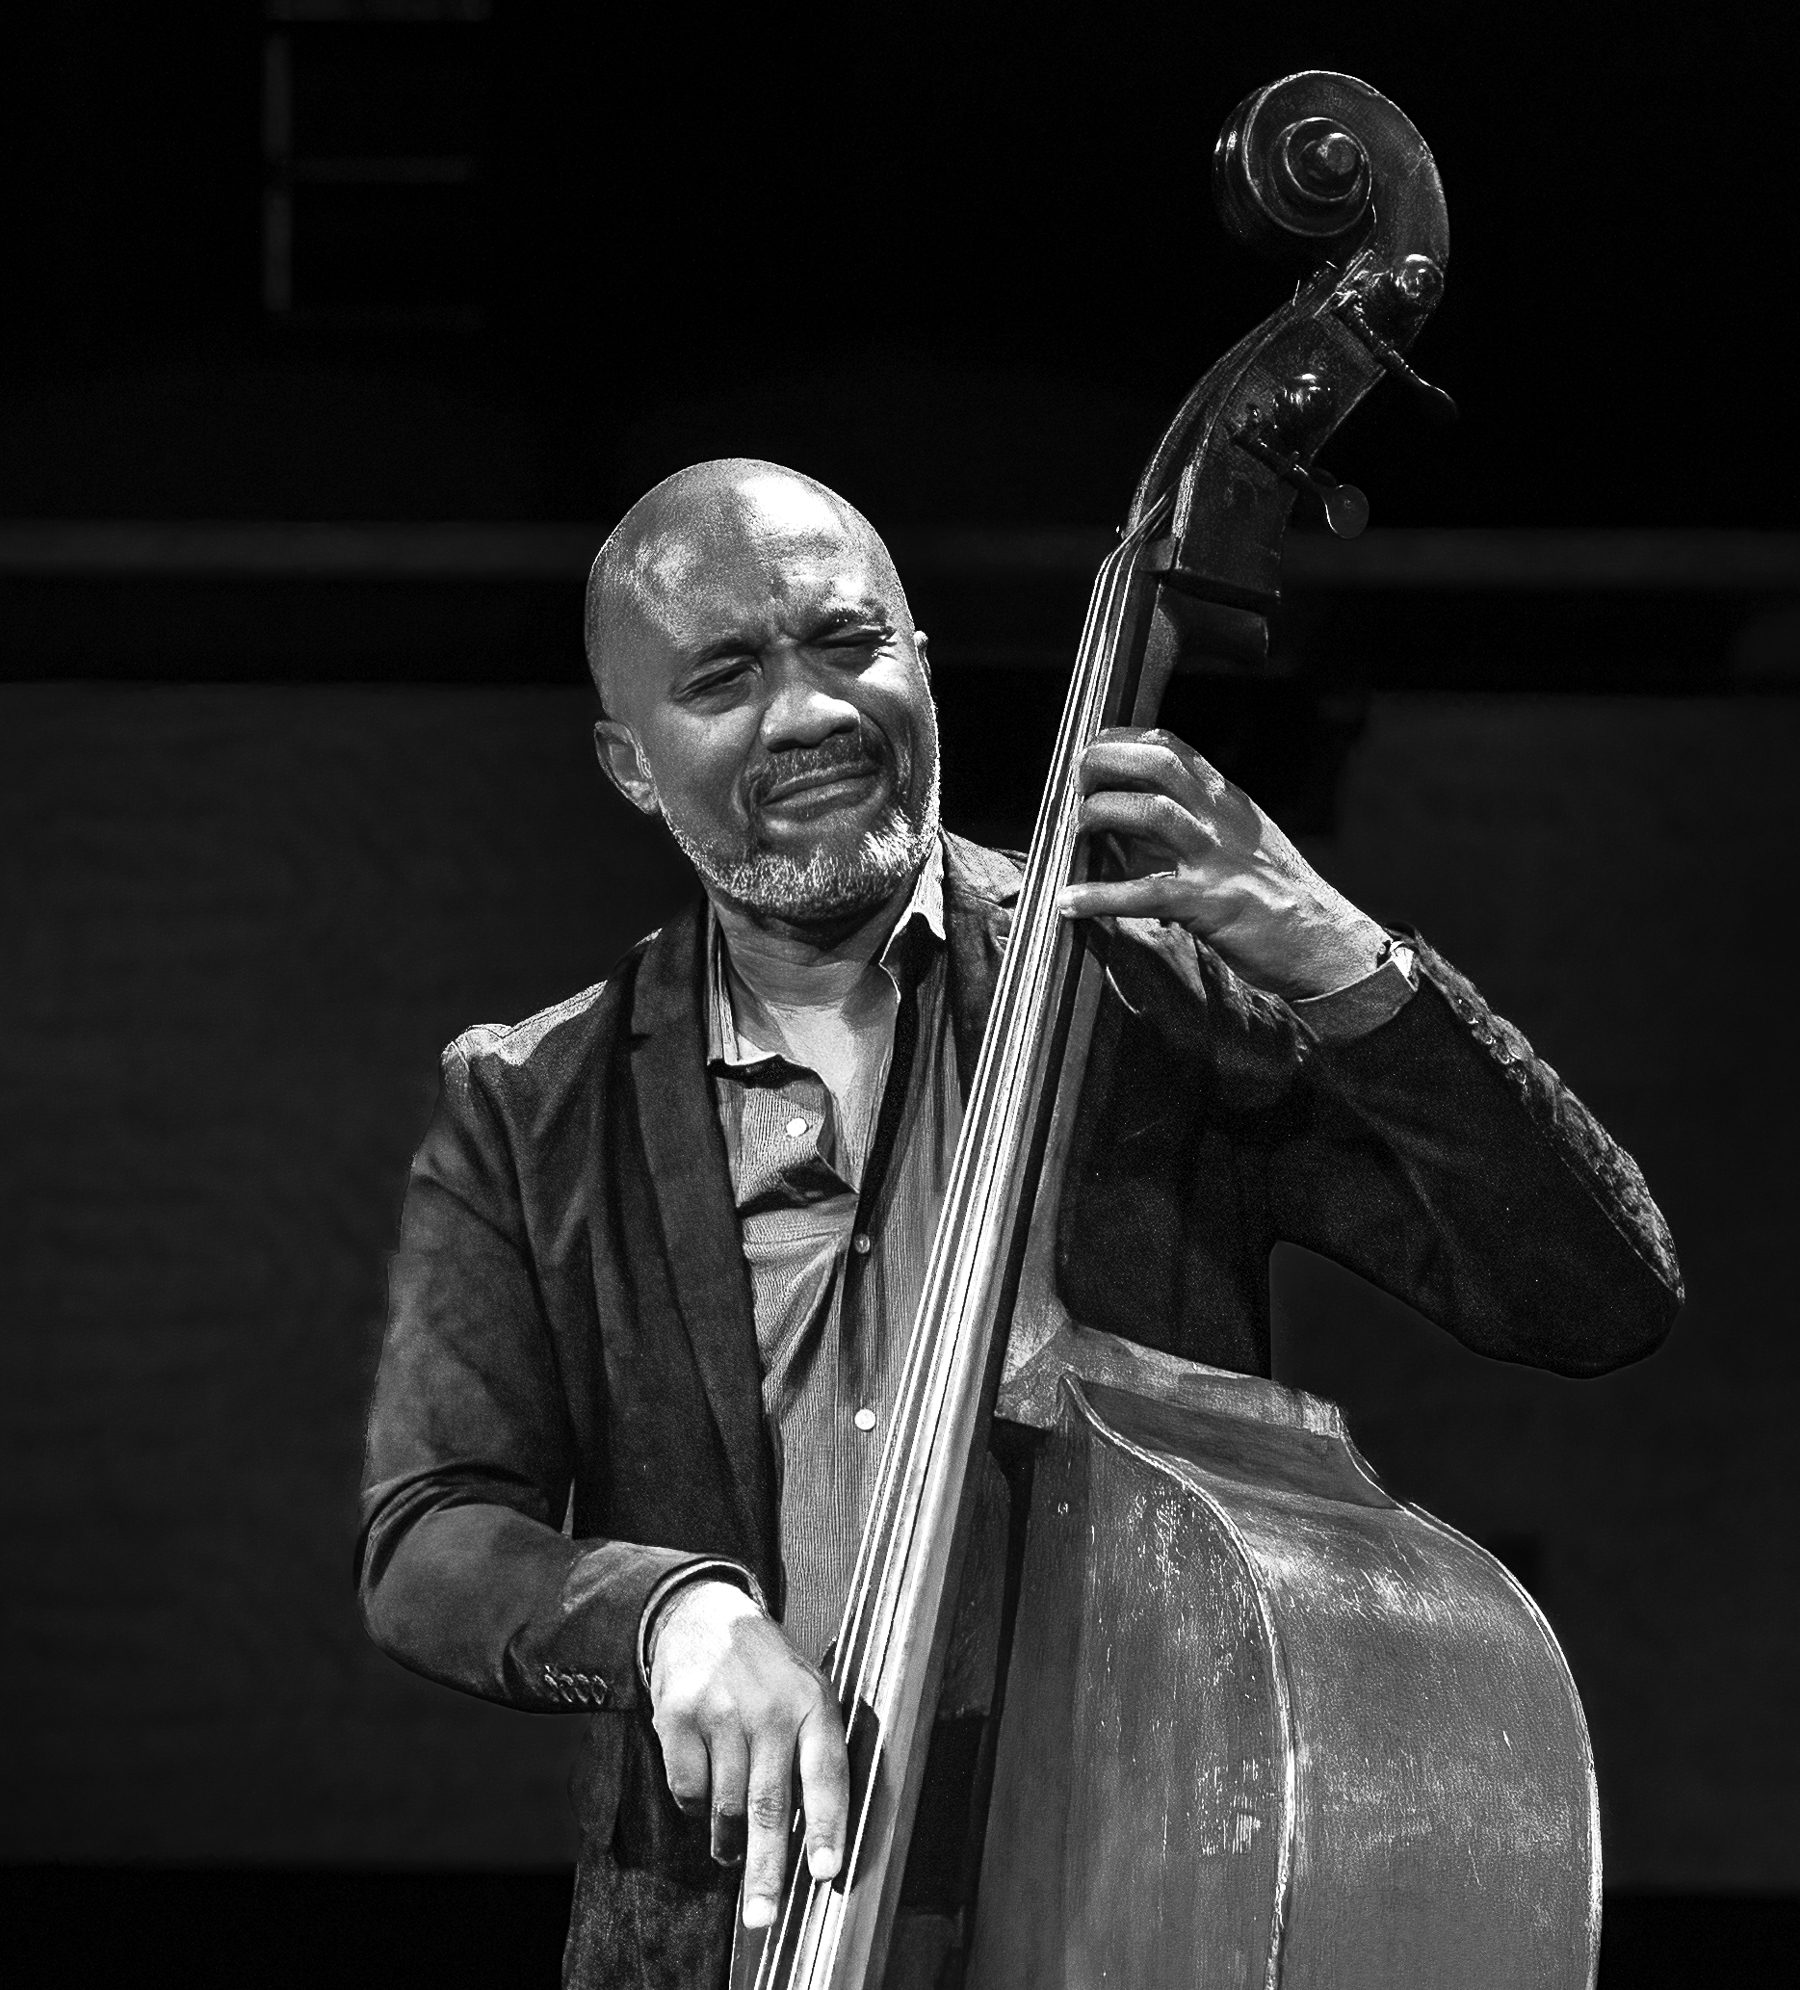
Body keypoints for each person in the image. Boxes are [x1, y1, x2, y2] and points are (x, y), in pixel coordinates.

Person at [358, 459, 1681, 1989]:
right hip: (731, 1937)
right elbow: (427, 1534)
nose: (810, 714)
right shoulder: (532, 1102)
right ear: (630, 760)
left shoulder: (1144, 991)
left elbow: (1592, 1293)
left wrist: (1340, 955)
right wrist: (661, 1612)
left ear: (920, 662)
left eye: (849, 644)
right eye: (724, 677)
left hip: (1132, 1899)